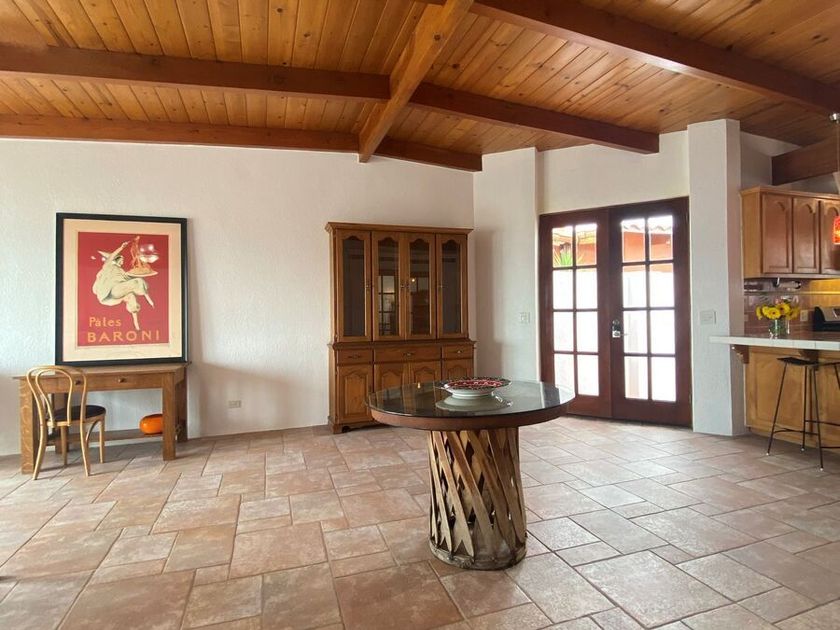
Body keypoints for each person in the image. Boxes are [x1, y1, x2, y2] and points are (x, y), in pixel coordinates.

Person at [93, 239, 154, 331]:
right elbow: (111, 257)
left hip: (118, 292)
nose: (122, 262)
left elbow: (127, 280)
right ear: (115, 260)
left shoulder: (121, 271)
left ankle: (136, 324)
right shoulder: (109, 266)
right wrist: (121, 248)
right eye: (121, 260)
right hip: (113, 290)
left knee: (131, 296)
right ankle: (149, 300)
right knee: (138, 281)